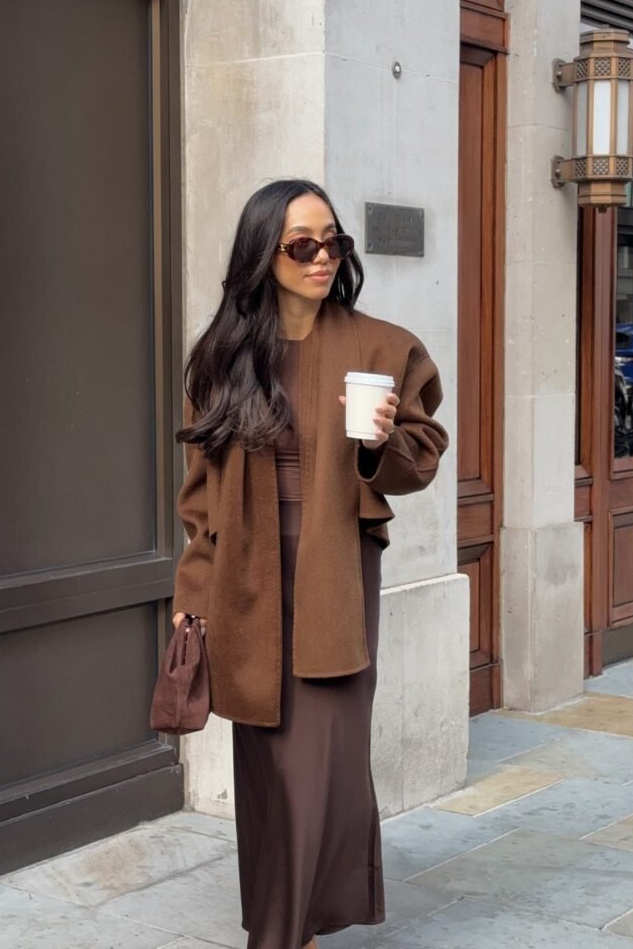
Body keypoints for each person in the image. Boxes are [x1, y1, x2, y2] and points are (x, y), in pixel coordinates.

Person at [172, 179, 448, 949]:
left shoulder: (382, 346)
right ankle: (284, 928)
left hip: (334, 574)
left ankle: (286, 930)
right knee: (266, 765)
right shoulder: (223, 360)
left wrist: (378, 441)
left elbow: (420, 460)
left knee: (321, 762)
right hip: (246, 579)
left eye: (334, 241)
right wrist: (192, 591)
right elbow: (201, 495)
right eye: (302, 245)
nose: (322, 256)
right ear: (265, 255)